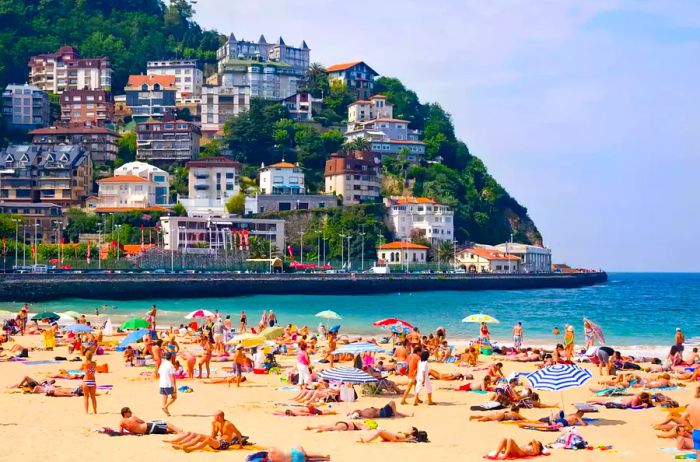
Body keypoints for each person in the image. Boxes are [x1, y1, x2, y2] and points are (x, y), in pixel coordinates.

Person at [168, 410, 243, 452]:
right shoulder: (215, 423)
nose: (213, 417)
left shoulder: (228, 424)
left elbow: (238, 433)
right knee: (200, 436)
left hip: (224, 444)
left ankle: (191, 449)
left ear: (219, 417)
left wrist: (240, 445)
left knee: (207, 439)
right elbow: (214, 434)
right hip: (217, 441)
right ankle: (183, 446)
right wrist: (211, 437)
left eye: (215, 416)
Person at [159, 352, 177, 416]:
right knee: (174, 397)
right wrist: (174, 386)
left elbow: (159, 373)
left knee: (165, 396)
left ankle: (167, 413)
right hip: (168, 383)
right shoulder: (170, 365)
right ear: (171, 357)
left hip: (162, 383)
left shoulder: (162, 364)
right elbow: (172, 376)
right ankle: (165, 406)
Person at [358, 428, 423, 443]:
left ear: (413, 431)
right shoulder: (407, 434)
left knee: (380, 431)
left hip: (394, 438)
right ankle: (367, 439)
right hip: (393, 437)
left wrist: (398, 440)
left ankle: (367, 440)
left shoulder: (411, 436)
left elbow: (406, 439)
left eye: (410, 428)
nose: (408, 428)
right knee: (380, 431)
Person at [305, 421, 370, 432]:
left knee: (328, 426)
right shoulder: (362, 425)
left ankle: (313, 427)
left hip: (342, 422)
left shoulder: (359, 423)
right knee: (333, 428)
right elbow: (366, 429)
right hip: (346, 426)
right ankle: (321, 430)